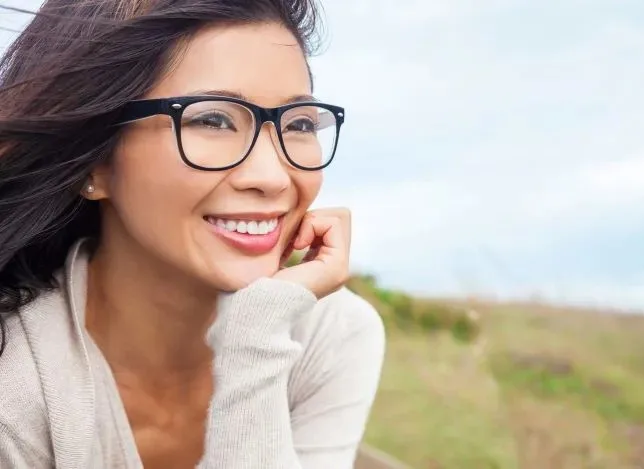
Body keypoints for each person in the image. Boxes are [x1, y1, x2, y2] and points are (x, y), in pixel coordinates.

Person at [0, 1, 386, 468]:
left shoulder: (330, 334)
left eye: (299, 124)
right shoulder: (16, 383)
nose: (273, 177)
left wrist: (257, 336)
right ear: (95, 163)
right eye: (212, 120)